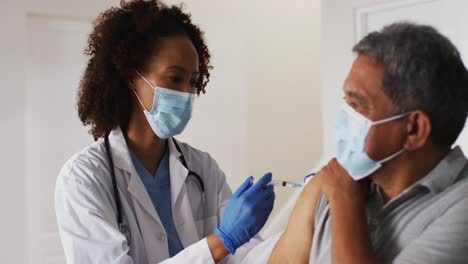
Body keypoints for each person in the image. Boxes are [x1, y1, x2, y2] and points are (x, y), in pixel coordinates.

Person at [54, 1, 275, 263]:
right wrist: (222, 240)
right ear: (130, 77)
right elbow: (226, 244)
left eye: (193, 81)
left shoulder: (202, 169)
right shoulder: (84, 179)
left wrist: (309, 215)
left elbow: (248, 256)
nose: (187, 93)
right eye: (174, 78)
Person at [244, 22, 468, 263]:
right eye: (345, 101)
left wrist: (345, 201)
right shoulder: (334, 180)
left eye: (357, 105)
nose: (342, 119)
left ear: (414, 129)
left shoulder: (459, 208)